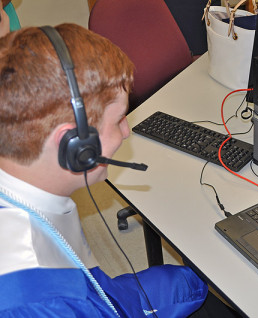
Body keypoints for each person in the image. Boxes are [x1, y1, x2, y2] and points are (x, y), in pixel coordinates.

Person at [0, 24, 238, 317]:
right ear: (74, 145)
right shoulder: (37, 300)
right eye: (118, 121)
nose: (127, 132)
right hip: (81, 304)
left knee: (191, 281)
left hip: (98, 292)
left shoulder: (27, 187)